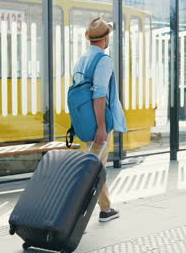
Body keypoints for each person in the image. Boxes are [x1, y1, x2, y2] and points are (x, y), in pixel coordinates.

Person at [72, 17, 127, 223]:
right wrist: (102, 127)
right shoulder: (103, 60)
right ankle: (75, 212)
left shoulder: (82, 59)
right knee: (93, 169)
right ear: (105, 39)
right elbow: (99, 95)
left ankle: (105, 208)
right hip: (98, 123)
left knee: (94, 166)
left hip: (84, 122)